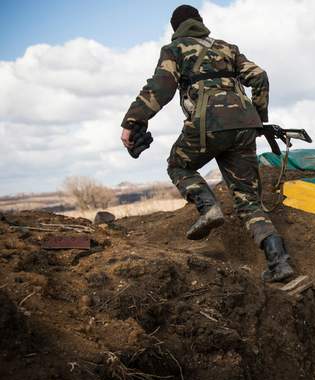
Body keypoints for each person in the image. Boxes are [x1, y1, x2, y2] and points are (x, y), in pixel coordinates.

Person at [120, 5, 294, 282]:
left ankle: (208, 208)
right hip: (244, 124)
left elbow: (161, 87)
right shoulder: (227, 48)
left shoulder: (175, 50)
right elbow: (259, 75)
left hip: (207, 125)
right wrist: (259, 120)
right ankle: (279, 263)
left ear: (176, 29)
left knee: (178, 165)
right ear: (200, 23)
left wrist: (132, 121)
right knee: (248, 201)